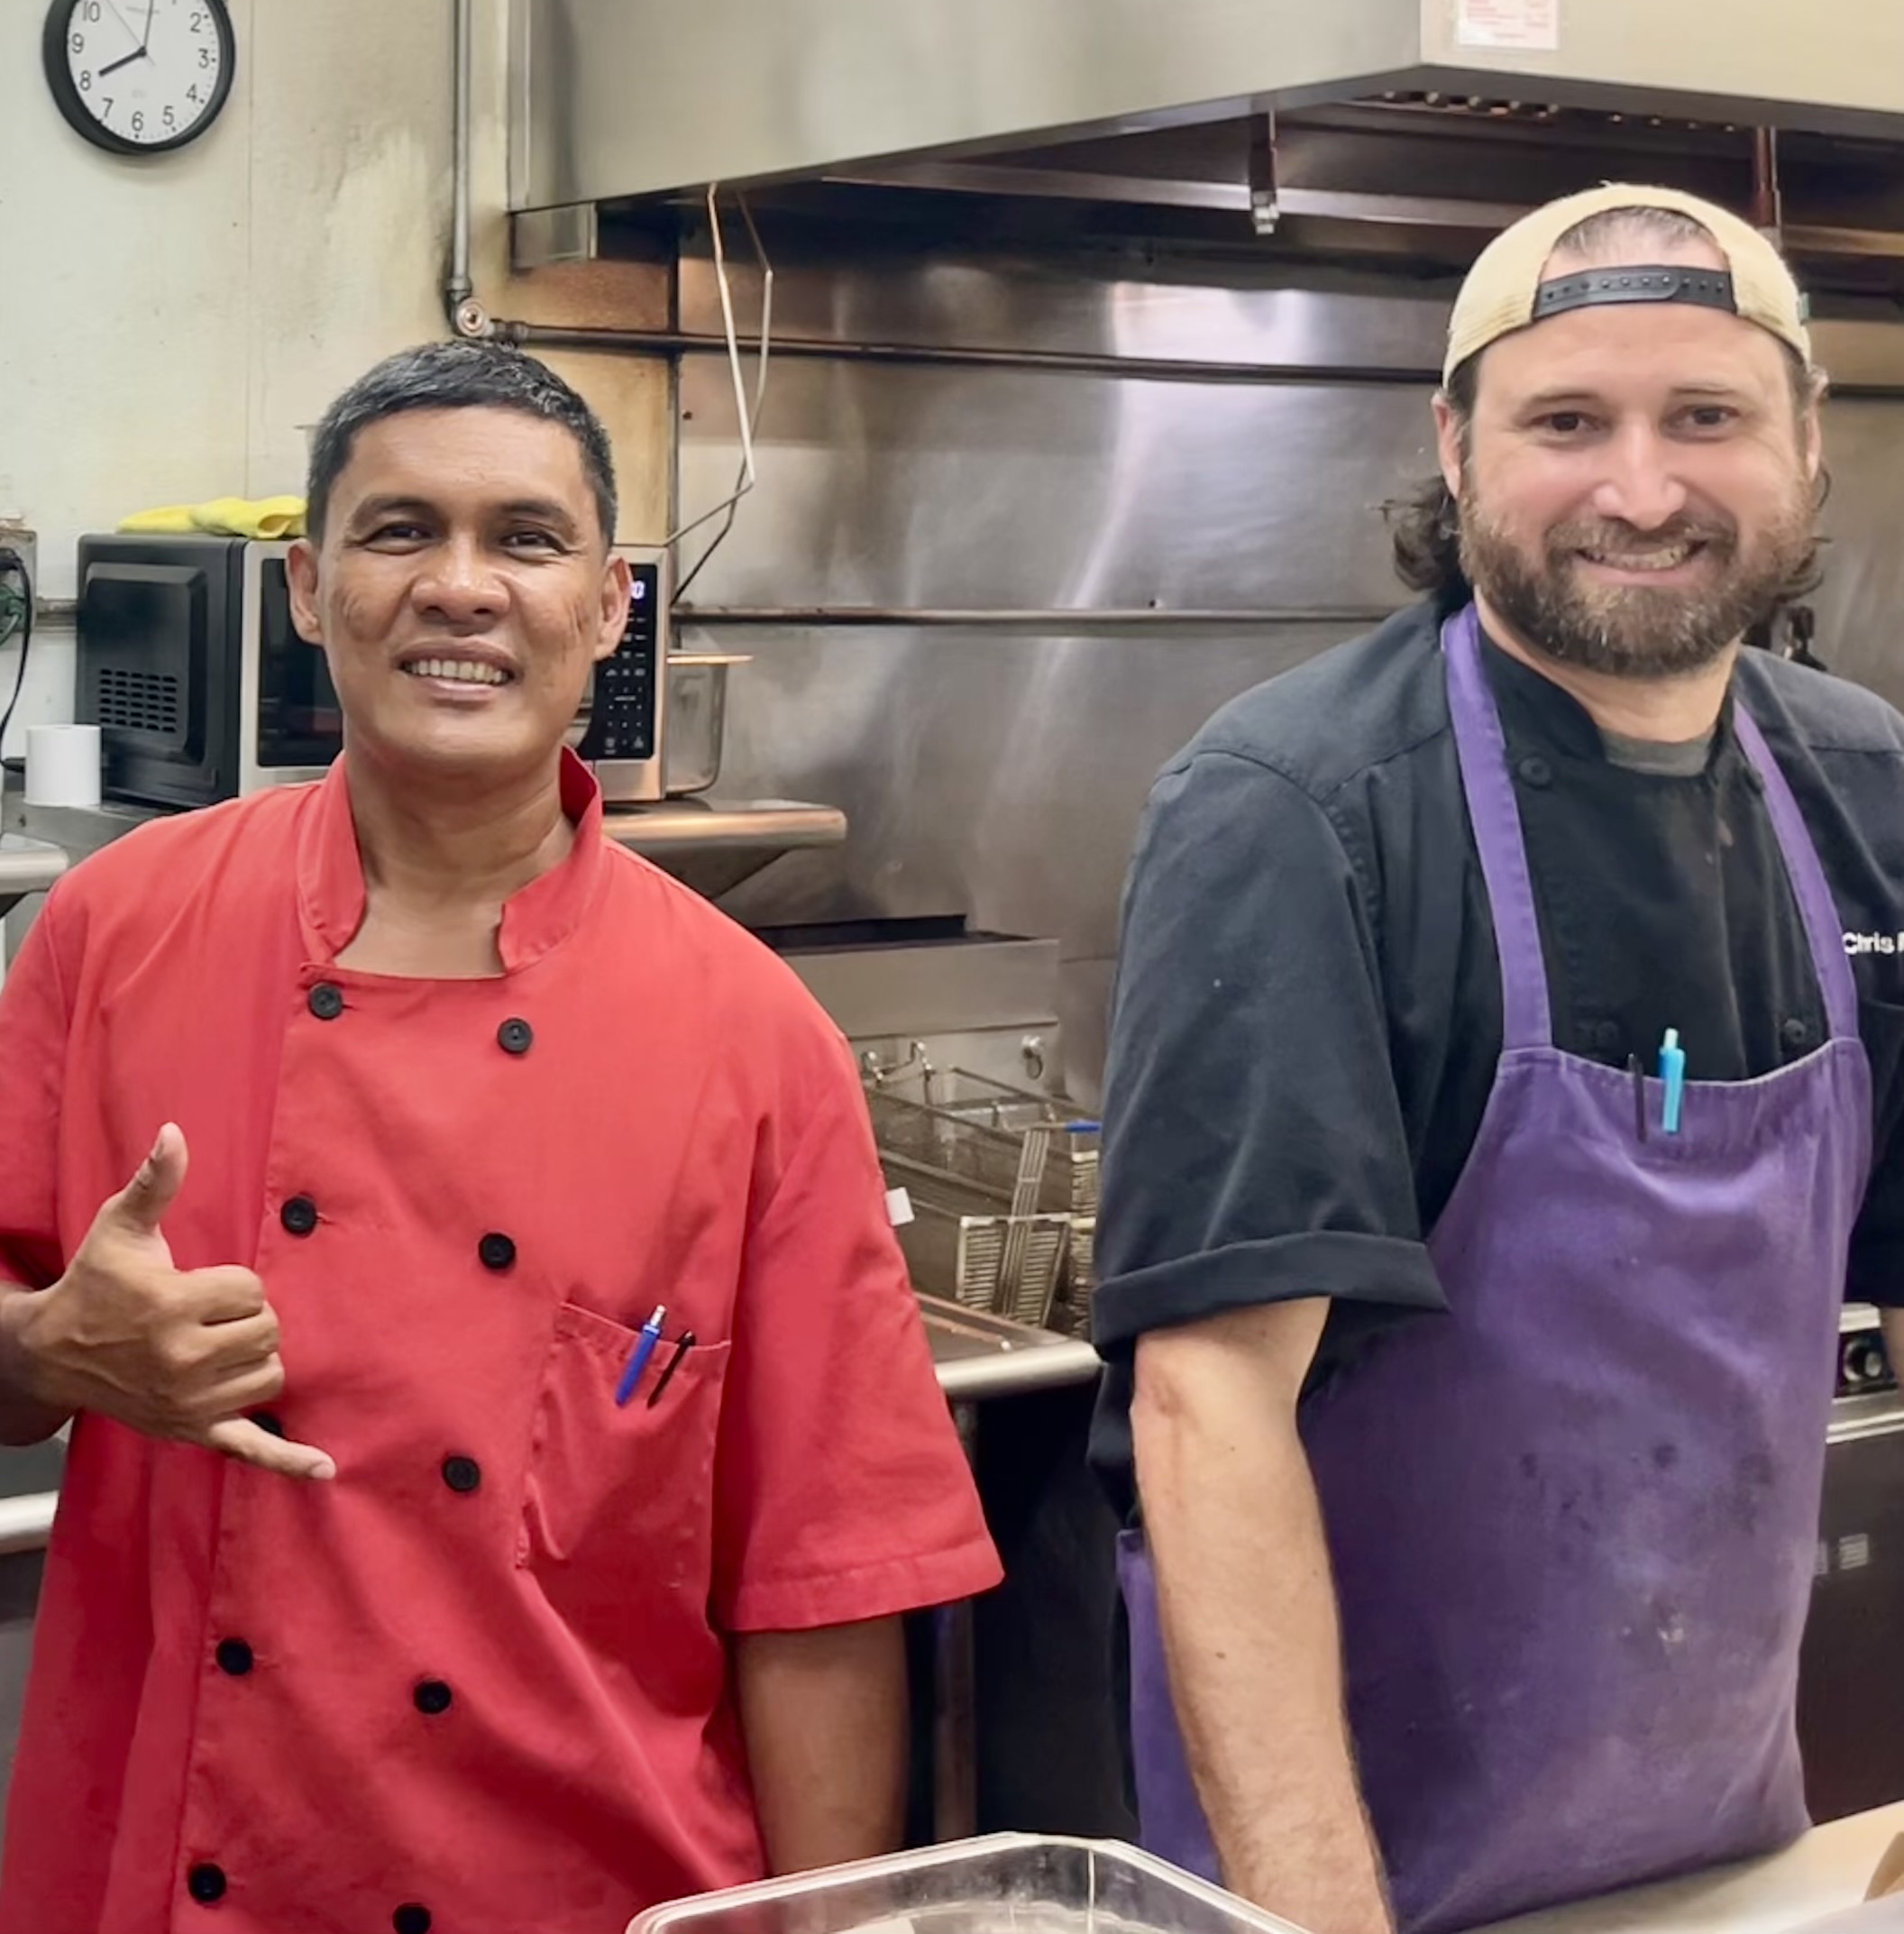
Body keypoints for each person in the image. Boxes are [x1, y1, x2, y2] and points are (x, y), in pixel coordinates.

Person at [0, 341, 1000, 1934]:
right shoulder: (113, 932)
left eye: (524, 541)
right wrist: (48, 1349)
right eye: (400, 531)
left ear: (607, 608)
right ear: (308, 588)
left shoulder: (753, 1038)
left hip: (587, 1895)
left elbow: (823, 1579)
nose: (460, 587)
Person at [1091, 184, 1904, 1934]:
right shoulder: (1296, 814)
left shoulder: (1871, 793)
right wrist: (1323, 1916)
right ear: (1455, 449)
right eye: (1568, 423)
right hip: (1342, 1881)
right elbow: (1207, 1403)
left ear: (1806, 443)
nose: (1642, 489)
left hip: (1728, 1853)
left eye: (1706, 417)